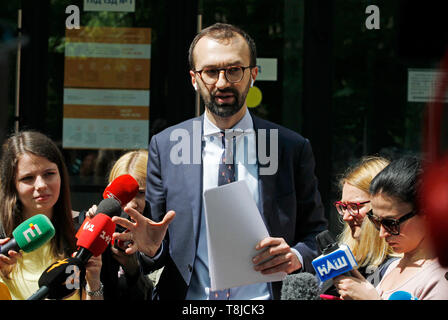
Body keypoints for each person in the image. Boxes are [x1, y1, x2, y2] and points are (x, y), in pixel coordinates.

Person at [113, 22, 328, 300]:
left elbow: (317, 235)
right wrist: (150, 248)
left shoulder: (290, 148)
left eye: (234, 70)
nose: (223, 83)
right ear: (194, 79)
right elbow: (156, 245)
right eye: (211, 72)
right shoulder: (165, 147)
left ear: (253, 74)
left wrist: (296, 256)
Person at [0, 130, 102, 300]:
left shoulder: (83, 229)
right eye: (28, 178)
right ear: (13, 185)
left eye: (49, 174)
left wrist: (94, 281)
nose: (40, 185)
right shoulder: (3, 239)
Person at [333, 155, 448, 300]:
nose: (382, 233)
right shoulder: (392, 268)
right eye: (376, 221)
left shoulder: (439, 278)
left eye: (391, 223)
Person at [77, 149, 154, 299]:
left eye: (141, 193)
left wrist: (133, 270)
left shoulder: (162, 230)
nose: (131, 204)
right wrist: (91, 231)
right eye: (124, 195)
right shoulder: (101, 223)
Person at [334, 156, 399, 286]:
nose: (346, 217)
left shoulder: (403, 270)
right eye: (344, 207)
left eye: (354, 207)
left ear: (383, 206)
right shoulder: (342, 263)